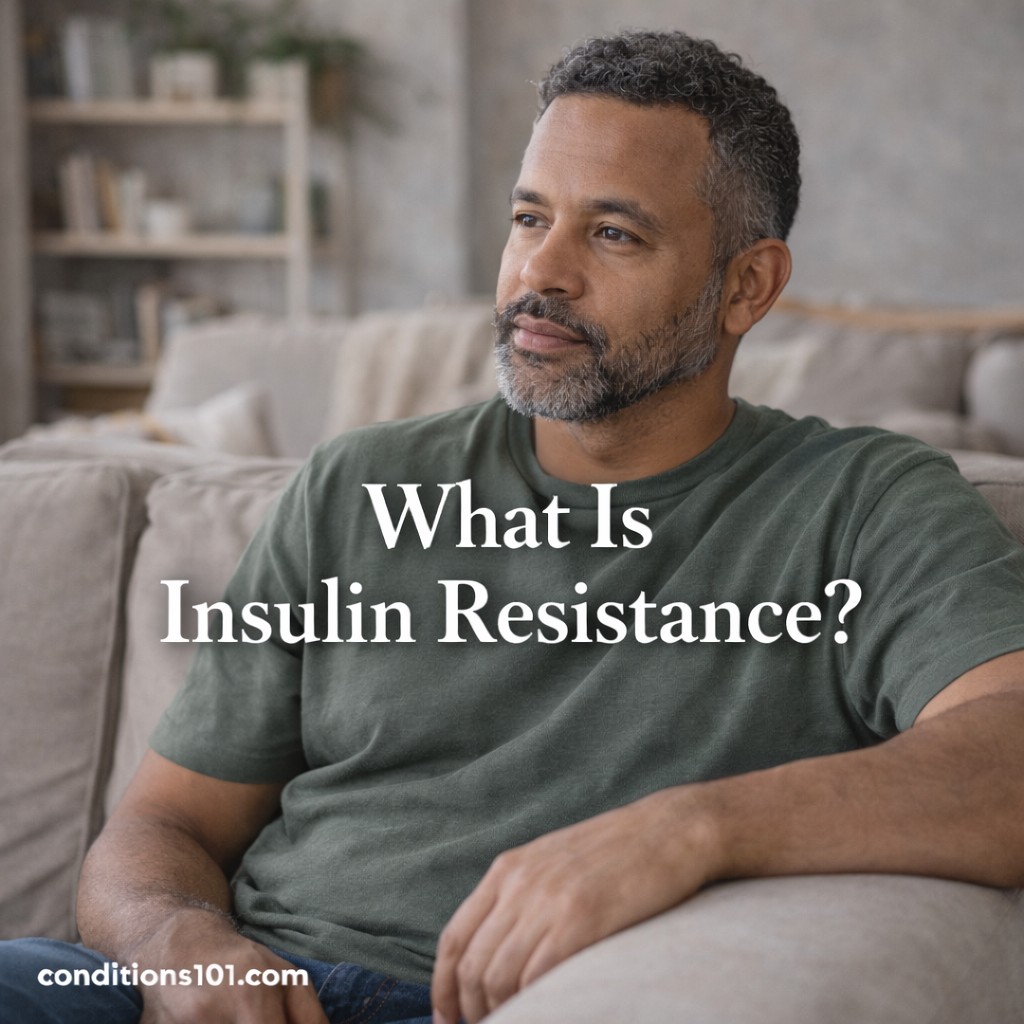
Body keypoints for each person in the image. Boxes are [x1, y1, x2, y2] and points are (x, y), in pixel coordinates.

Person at [3, 29, 1024, 1024]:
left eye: (613, 233)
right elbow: (162, 824)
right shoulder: (357, 484)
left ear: (746, 286)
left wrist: (693, 828)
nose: (543, 272)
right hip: (215, 985)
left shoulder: (862, 503)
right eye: (530, 217)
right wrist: (177, 942)